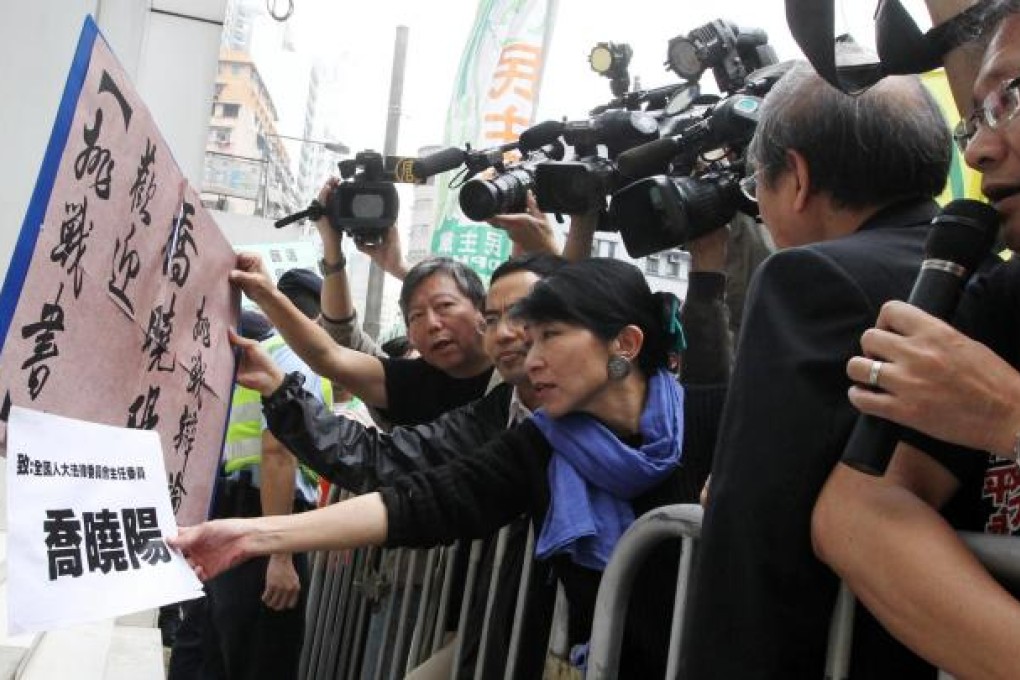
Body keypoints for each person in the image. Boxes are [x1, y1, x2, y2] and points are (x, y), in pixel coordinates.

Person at [171, 257, 700, 677]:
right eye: (509, 326)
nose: (525, 351)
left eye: (547, 334)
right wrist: (257, 537)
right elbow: (417, 502)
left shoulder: (723, 422)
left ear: (626, 343)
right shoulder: (536, 444)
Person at [678, 59, 955, 679]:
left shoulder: (809, 280)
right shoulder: (989, 273)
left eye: (758, 189)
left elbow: (757, 538)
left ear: (796, 178)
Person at [811, 3, 1020, 677]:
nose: (980, 149)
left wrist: (1009, 418)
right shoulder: (1003, 307)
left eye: (1013, 100)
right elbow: (855, 512)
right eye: (974, 118)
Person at [168, 308, 331, 680]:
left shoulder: (236, 354)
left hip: (225, 513)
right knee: (262, 657)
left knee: (211, 652)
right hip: (261, 524)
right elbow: (277, 452)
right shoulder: (290, 356)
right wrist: (281, 556)